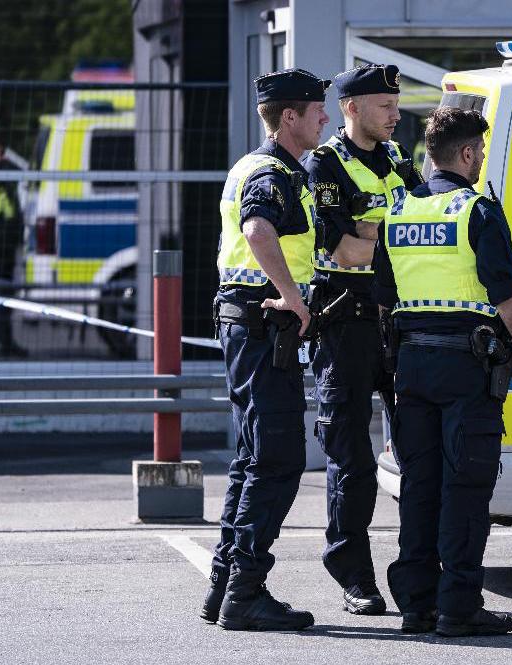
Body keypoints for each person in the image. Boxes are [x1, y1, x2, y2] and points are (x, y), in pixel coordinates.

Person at [373, 107, 512, 637]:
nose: (480, 162)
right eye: (481, 154)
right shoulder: (477, 211)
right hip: (467, 366)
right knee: (465, 487)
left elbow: (384, 297)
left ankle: (416, 605)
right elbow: (505, 293)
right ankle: (459, 607)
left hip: (412, 366)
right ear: (467, 155)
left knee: (420, 487)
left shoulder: (396, 212)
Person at [199, 68, 330, 632]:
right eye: (316, 109)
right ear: (289, 117)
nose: (324, 117)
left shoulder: (260, 165)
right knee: (277, 458)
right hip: (261, 325)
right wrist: (293, 297)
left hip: (246, 325)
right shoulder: (273, 171)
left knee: (253, 458)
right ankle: (245, 592)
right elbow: (257, 230)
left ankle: (224, 587)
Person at [301, 63, 423, 616]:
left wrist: (370, 228)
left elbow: (426, 234)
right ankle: (355, 577)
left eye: (396, 107)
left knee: (420, 455)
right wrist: (395, 234)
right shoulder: (323, 165)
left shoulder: (400, 159)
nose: (396, 116)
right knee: (353, 463)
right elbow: (342, 251)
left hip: (398, 324)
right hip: (345, 326)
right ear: (351, 108)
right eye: (385, 107)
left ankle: (418, 576)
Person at [0, 138, 27, 357]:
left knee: (5, 294)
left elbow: (22, 170)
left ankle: (5, 341)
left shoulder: (5, 173)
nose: (3, 156)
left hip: (6, 245)